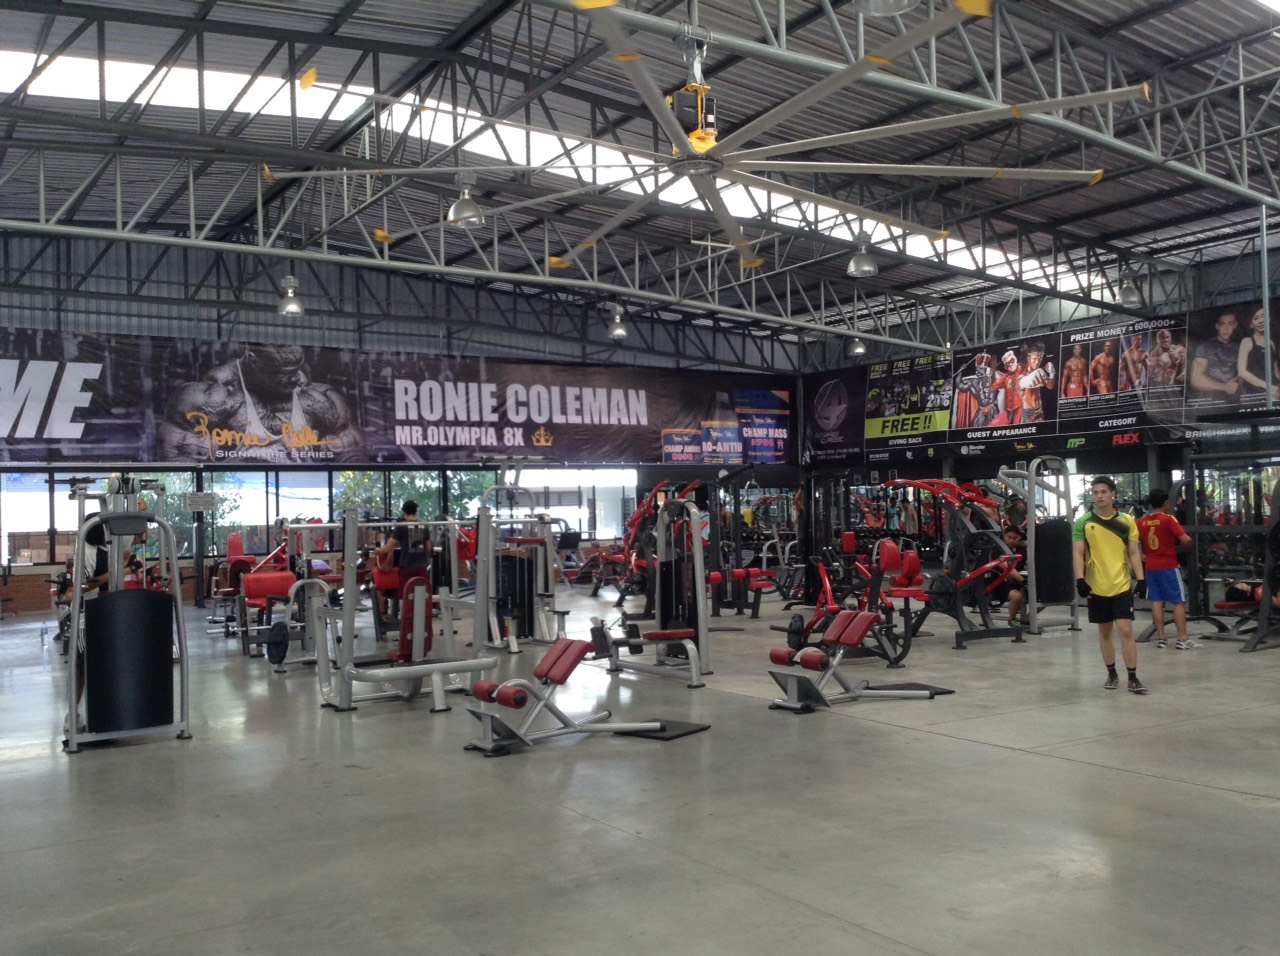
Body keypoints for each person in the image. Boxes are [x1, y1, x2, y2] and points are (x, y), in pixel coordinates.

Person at [157, 343, 367, 464]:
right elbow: (178, 460)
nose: (295, 378)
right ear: (253, 362)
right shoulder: (212, 397)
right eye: (282, 373)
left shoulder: (317, 398)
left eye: (295, 370)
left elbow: (353, 454)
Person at [1073, 476, 1148, 694]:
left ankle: (1133, 677)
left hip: (1121, 584)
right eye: (1096, 492)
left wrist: (1141, 579)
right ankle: (1112, 673)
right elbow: (1078, 553)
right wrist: (1080, 580)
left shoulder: (1127, 521)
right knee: (1105, 631)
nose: (1099, 496)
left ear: (1113, 493)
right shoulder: (1083, 522)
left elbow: (1134, 552)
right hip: (1096, 586)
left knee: (1126, 630)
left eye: (1103, 492)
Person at [1137, 490, 1197, 650]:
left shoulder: (1141, 521)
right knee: (1178, 602)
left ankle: (1161, 638)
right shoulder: (1168, 519)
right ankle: (1182, 639)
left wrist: (1142, 554)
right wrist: (1188, 540)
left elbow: (1133, 541)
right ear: (1165, 503)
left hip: (1151, 566)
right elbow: (1185, 539)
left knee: (1157, 601)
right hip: (1168, 566)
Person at [372, 500, 432, 620]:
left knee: (405, 597)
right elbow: (429, 547)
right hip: (422, 568)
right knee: (422, 597)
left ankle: (406, 625)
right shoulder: (424, 526)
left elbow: (388, 548)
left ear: (404, 512)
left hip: (407, 568)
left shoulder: (401, 527)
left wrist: (379, 551)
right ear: (416, 512)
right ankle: (421, 625)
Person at [1190, 311, 1241, 399]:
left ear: (1235, 325)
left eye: (1230, 324)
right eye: (1222, 324)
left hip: (1233, 401)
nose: (1226, 328)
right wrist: (1225, 387)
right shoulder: (1205, 347)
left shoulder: (1239, 348)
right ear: (1217, 326)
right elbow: (1195, 379)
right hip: (1210, 402)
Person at [1236, 308, 1280, 402]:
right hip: (1253, 394)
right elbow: (1242, 372)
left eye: (1263, 316)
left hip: (1273, 393)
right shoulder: (1247, 341)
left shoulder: (1271, 343)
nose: (1261, 321)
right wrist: (1269, 387)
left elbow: (1275, 372)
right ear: (1251, 325)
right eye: (1256, 318)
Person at [991, 526, 1028, 625]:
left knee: (1044, 595)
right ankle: (1012, 620)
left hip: (1017, 581)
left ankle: (1028, 618)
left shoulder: (1022, 550)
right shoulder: (997, 549)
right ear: (1004, 536)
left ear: (1019, 537)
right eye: (1009, 537)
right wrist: (1023, 581)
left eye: (1014, 538)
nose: (1011, 540)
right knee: (1017, 596)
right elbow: (1008, 569)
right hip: (1000, 583)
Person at [1017, 344, 1055, 423]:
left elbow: (1050, 386)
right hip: (1028, 412)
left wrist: (1052, 374)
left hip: (1039, 410)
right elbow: (1017, 386)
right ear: (1028, 358)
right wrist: (1024, 382)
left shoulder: (1039, 371)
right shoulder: (1023, 372)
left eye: (1040, 358)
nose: (1037, 362)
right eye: (1034, 359)